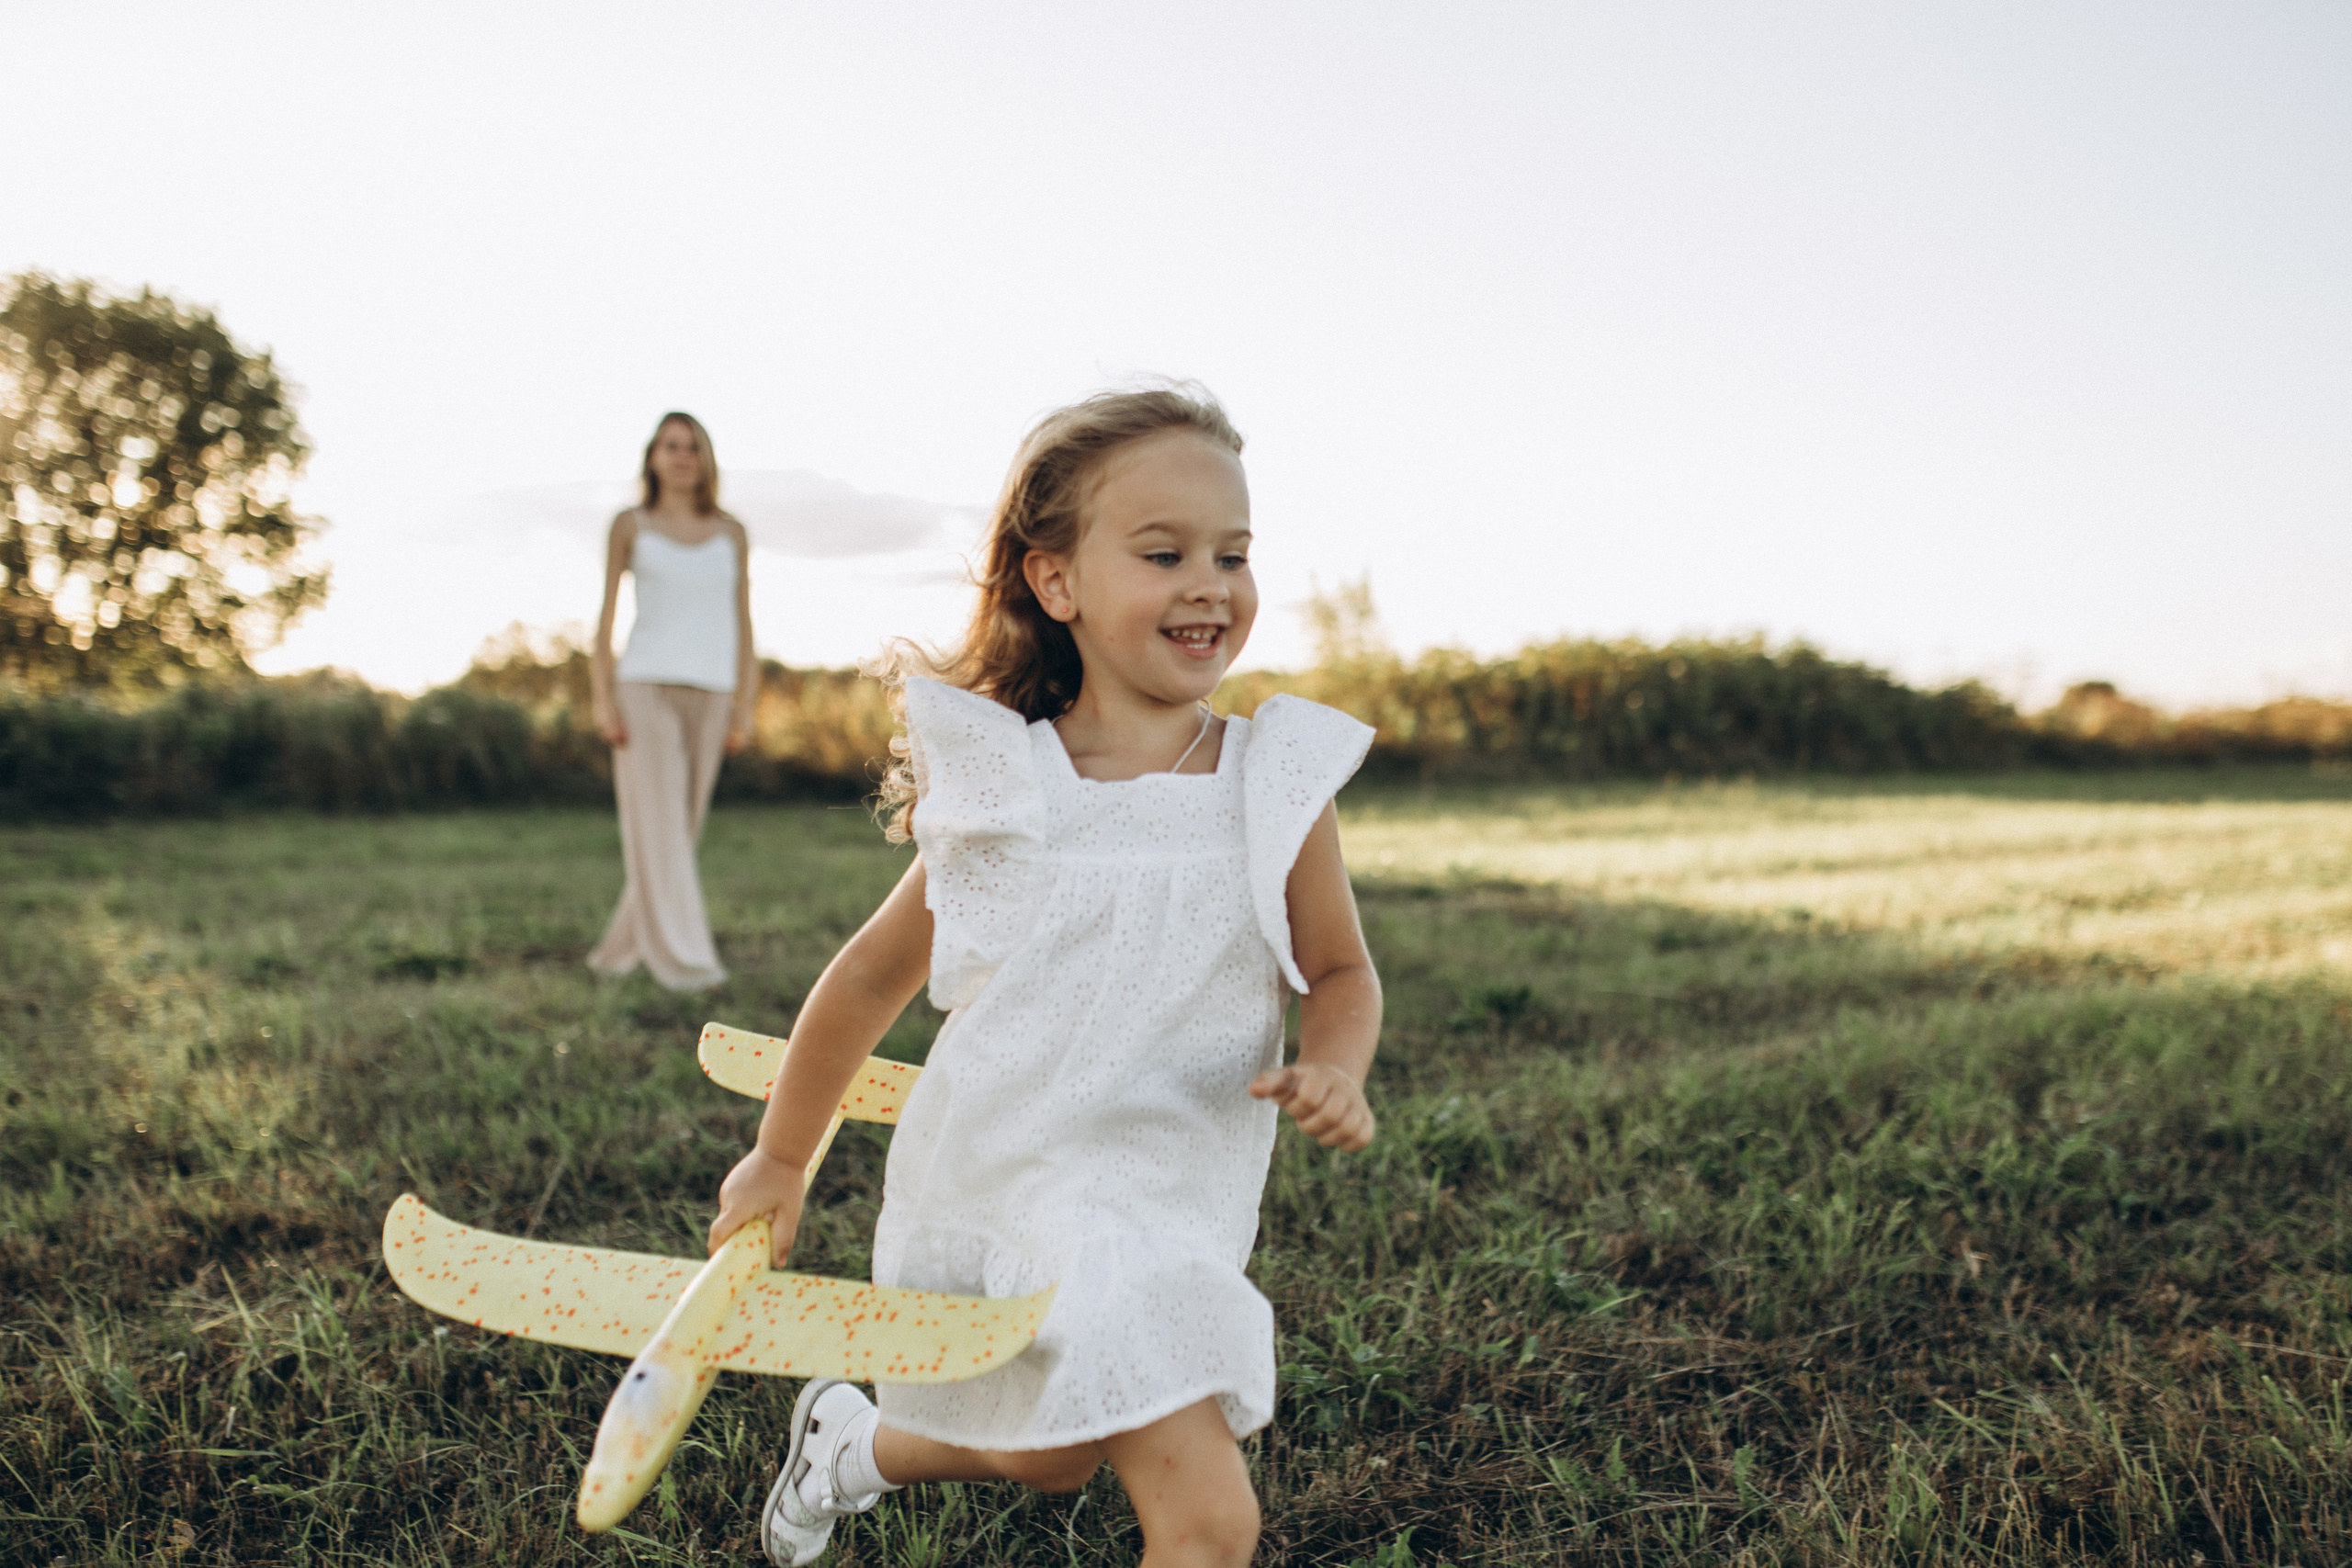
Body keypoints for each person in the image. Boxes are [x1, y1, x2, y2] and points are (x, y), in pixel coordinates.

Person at [706, 386, 1383, 1568]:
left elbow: (1339, 968)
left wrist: (1334, 1065)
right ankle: (864, 1441)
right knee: (1210, 1525)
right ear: (1056, 582)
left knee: (1050, 1454)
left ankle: (851, 1447)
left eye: (1231, 555)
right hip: (1016, 1175)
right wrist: (778, 1156)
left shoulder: (1271, 783)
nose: (1209, 585)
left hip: (1172, 1189)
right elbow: (866, 981)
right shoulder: (1008, 793)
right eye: (1164, 554)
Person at [586, 412, 756, 991]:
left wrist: (745, 703)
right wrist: (602, 698)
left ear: (705, 458)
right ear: (653, 457)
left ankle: (620, 950)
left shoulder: (732, 532)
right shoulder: (630, 525)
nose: (682, 456)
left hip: (714, 690)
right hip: (644, 686)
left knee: (681, 831)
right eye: (670, 446)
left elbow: (743, 620)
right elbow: (606, 617)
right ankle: (685, 962)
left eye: (692, 447)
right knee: (657, 826)